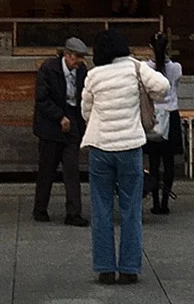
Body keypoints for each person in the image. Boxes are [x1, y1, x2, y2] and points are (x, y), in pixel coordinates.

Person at [81, 28, 169, 286]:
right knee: (131, 209)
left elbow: (86, 110)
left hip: (100, 147)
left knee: (101, 208)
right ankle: (129, 268)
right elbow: (162, 87)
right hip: (129, 146)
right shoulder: (135, 68)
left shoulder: (93, 75)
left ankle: (105, 268)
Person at [32, 36, 89, 226]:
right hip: (51, 123)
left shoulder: (82, 71)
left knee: (71, 168)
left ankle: (73, 212)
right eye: (76, 57)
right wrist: (58, 116)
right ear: (66, 54)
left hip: (73, 119)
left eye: (81, 57)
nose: (79, 61)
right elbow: (41, 99)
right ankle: (40, 208)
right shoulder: (49, 69)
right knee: (47, 168)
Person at [145, 32, 183, 215]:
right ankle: (165, 201)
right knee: (169, 162)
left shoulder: (145, 68)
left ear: (150, 47)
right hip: (171, 113)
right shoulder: (176, 68)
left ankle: (155, 202)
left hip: (153, 114)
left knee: (153, 162)